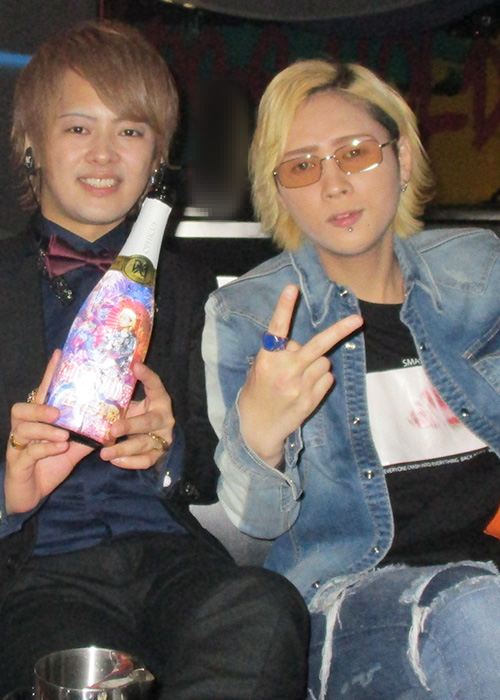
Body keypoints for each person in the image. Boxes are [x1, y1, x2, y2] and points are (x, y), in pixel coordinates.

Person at [0, 20, 309, 700]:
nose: (104, 153)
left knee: (263, 611)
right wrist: (9, 490)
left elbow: (208, 468)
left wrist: (169, 449)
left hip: (171, 559)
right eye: (77, 127)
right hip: (35, 573)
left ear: (158, 156)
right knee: (80, 671)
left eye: (132, 131)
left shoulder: (190, 285)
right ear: (31, 145)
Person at [202, 59, 500, 700]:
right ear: (281, 192)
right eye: (302, 166)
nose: (333, 184)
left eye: (356, 153)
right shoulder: (251, 314)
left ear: (403, 160)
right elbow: (256, 524)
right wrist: (260, 439)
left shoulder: (479, 275)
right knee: (479, 616)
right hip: (349, 603)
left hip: (489, 580)